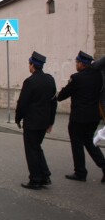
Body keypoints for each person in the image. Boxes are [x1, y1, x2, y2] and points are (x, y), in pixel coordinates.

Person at [57, 51, 105, 184]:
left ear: (82, 64)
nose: (76, 65)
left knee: (77, 144)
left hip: (78, 119)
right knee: (89, 142)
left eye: (77, 62)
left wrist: (60, 92)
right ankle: (104, 166)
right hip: (94, 117)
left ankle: (80, 172)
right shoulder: (98, 76)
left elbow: (62, 96)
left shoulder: (77, 78)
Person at [15, 51, 57, 190]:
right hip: (44, 121)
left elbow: (23, 103)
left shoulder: (30, 81)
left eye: (29, 63)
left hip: (32, 122)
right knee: (37, 148)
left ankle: (35, 179)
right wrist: (51, 121)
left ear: (32, 65)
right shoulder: (50, 80)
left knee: (31, 150)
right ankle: (45, 175)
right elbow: (53, 102)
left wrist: (18, 118)